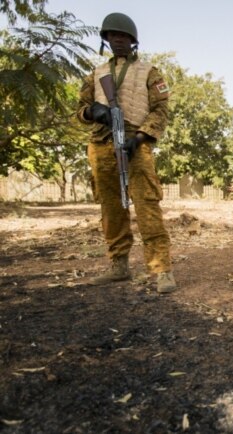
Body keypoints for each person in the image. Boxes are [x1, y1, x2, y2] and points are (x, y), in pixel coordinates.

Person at [76, 12, 177, 293]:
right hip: (101, 143)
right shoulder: (96, 74)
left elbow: (160, 110)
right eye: (112, 36)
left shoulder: (150, 72)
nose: (117, 40)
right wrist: (92, 112)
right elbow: (79, 110)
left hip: (136, 143)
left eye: (123, 36)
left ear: (132, 41)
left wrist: (141, 137)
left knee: (146, 205)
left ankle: (161, 270)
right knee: (111, 207)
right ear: (106, 39)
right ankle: (119, 265)